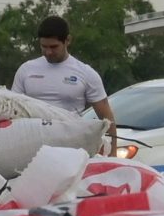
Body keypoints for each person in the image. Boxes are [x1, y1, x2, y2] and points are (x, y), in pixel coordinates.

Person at [12, 15, 116, 149]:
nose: (48, 52)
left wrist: (113, 153)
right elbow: (11, 109)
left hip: (70, 146)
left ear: (67, 40)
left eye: (54, 47)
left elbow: (106, 117)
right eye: (44, 46)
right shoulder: (26, 70)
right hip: (30, 143)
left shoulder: (86, 73)